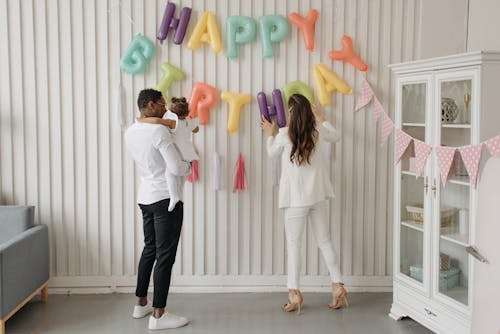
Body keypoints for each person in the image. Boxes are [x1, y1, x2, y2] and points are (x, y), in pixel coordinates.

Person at [260, 93, 348, 314]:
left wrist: (269, 134)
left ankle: (294, 293)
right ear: (309, 111)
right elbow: (336, 136)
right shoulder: (317, 132)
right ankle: (338, 285)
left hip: (295, 200)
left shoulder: (283, 135)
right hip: (318, 197)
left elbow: (271, 154)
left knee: (294, 246)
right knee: (325, 241)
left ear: (290, 112)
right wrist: (322, 119)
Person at [124, 89, 191, 331]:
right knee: (165, 255)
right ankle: (159, 314)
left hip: (145, 196)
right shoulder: (159, 131)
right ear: (150, 105)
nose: (165, 107)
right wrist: (189, 165)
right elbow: (175, 166)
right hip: (165, 199)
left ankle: (140, 303)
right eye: (161, 103)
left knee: (150, 249)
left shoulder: (131, 131)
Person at [137, 97, 199, 212]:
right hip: (187, 153)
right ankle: (178, 195)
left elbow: (156, 121)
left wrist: (141, 120)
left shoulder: (173, 123)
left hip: (177, 152)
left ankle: (174, 196)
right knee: (180, 177)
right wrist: (189, 121)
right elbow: (196, 129)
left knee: (169, 173)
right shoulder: (187, 123)